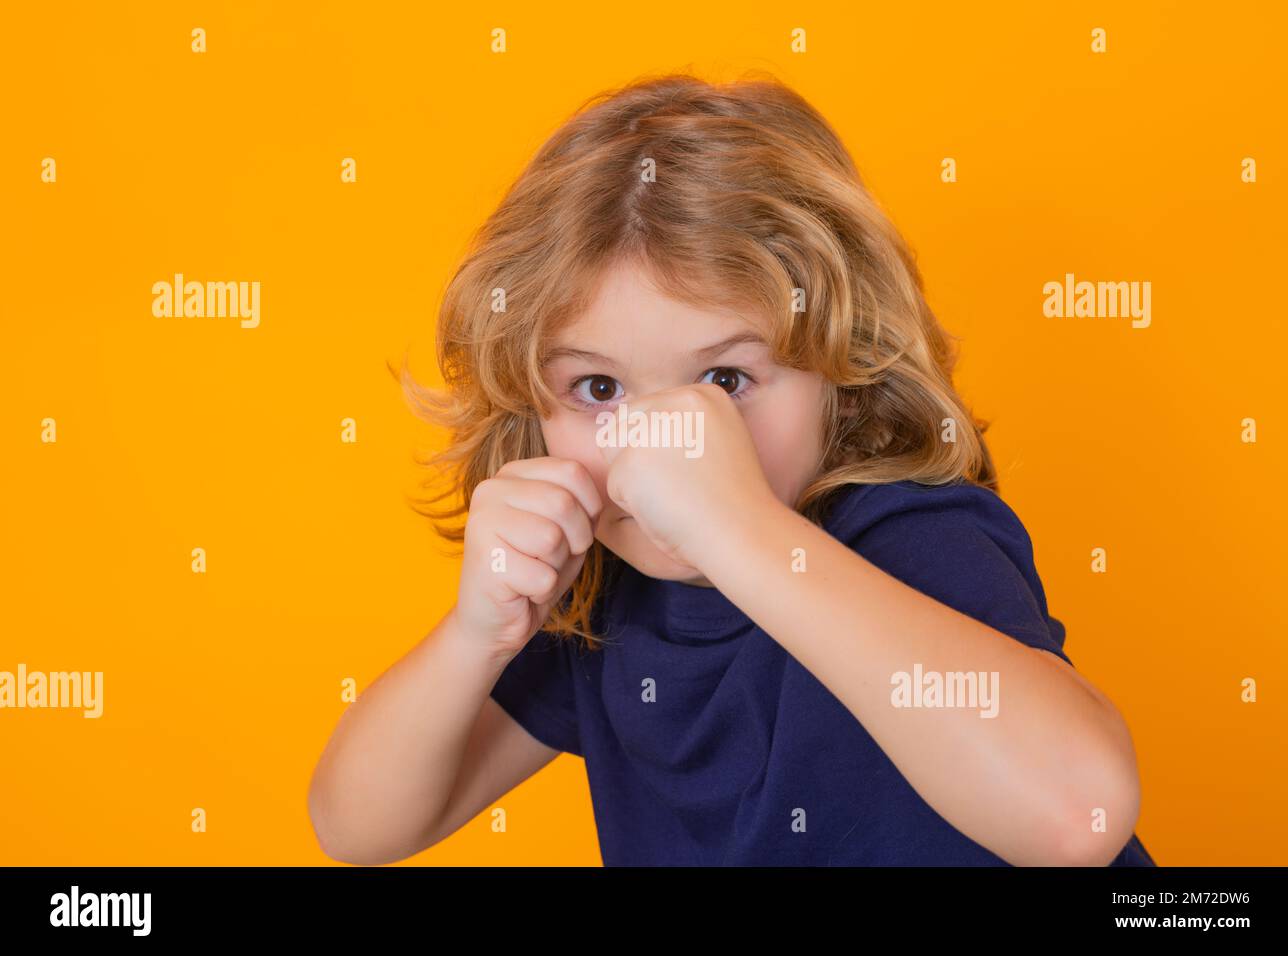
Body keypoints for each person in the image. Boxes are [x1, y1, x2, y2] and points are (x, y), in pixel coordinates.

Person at [307, 71, 1157, 867]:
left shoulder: (905, 530)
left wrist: (742, 531)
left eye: (724, 380)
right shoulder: (603, 597)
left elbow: (1076, 816)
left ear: (846, 381)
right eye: (598, 387)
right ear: (534, 413)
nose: (666, 437)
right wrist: (476, 637)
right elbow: (358, 827)